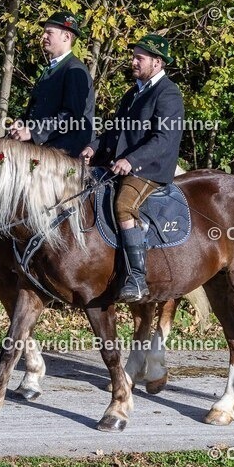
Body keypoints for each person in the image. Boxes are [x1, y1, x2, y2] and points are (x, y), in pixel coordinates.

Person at [81, 34, 185, 303]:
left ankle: (137, 279)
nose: (133, 61)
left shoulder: (168, 93)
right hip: (120, 166)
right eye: (134, 56)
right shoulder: (133, 92)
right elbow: (115, 132)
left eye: (140, 57)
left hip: (150, 170)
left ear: (157, 63)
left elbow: (163, 139)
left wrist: (132, 161)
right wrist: (93, 147)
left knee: (124, 205)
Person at [9, 12, 95, 157]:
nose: (43, 36)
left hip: (63, 156)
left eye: (49, 33)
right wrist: (21, 123)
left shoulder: (74, 70)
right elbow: (38, 110)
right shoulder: (53, 68)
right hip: (44, 149)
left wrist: (33, 132)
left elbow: (70, 116)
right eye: (44, 32)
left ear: (66, 37)